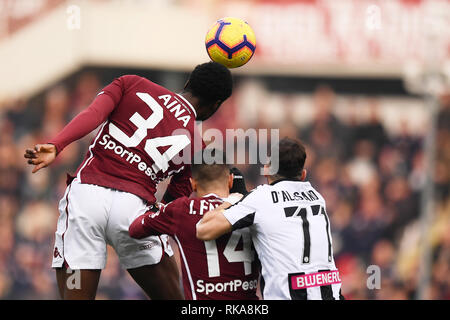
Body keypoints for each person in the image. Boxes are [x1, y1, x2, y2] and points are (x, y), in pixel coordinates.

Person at [23, 62, 233, 300]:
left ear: (187, 83)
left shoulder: (132, 83)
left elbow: (93, 114)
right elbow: (173, 202)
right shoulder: (197, 146)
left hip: (85, 201)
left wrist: (57, 144)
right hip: (134, 212)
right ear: (215, 106)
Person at [196, 138, 344, 300]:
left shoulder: (260, 198)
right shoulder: (317, 197)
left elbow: (204, 230)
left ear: (266, 170)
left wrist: (234, 199)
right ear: (303, 175)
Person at [129, 152, 260, 300]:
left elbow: (135, 229)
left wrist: (159, 208)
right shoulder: (252, 208)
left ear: (193, 184)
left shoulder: (181, 209)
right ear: (230, 180)